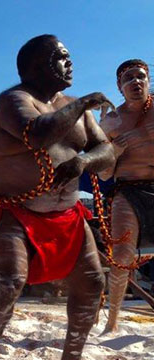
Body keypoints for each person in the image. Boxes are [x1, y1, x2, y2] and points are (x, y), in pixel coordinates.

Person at [0, 35, 114, 360]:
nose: (69, 63)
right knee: (9, 283)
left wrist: (83, 163)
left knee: (92, 283)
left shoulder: (74, 106)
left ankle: (72, 359)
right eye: (60, 57)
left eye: (69, 56)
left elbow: (106, 150)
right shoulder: (12, 100)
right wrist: (83, 103)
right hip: (13, 211)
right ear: (35, 67)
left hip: (66, 213)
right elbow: (39, 133)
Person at [98, 59, 154, 334]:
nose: (136, 82)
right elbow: (105, 174)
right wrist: (115, 153)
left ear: (148, 80)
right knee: (121, 254)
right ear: (120, 87)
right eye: (128, 79)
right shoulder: (111, 121)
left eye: (140, 76)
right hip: (128, 189)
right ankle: (112, 321)